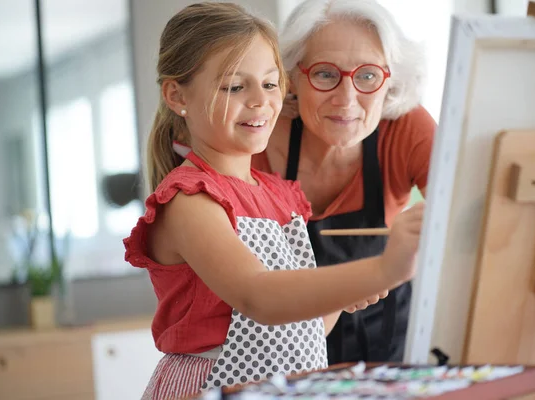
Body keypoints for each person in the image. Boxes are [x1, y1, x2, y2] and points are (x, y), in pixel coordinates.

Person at [123, 2, 424, 399]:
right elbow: (259, 296)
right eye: (235, 86)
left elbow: (301, 329)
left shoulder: (282, 196)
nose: (260, 101)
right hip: (213, 388)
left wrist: (343, 295)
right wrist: (383, 269)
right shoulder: (190, 201)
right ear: (177, 95)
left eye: (269, 84)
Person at [250, 0, 437, 365]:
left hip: (389, 350)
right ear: (292, 76)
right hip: (279, 351)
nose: (347, 99)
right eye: (324, 74)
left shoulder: (407, 128)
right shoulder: (255, 136)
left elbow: (465, 225)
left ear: (391, 79)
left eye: (368, 75)